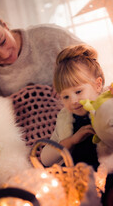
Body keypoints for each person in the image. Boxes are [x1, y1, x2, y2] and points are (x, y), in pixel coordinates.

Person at [0, 10, 83, 101]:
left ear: (5, 26)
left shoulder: (51, 36)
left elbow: (91, 65)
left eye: (3, 41)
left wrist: (68, 83)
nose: (4, 54)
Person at [41, 43, 105, 171]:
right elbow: (45, 159)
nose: (73, 101)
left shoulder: (108, 105)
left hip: (109, 169)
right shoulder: (66, 118)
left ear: (98, 85)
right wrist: (71, 141)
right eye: (65, 97)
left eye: (78, 92)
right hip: (78, 176)